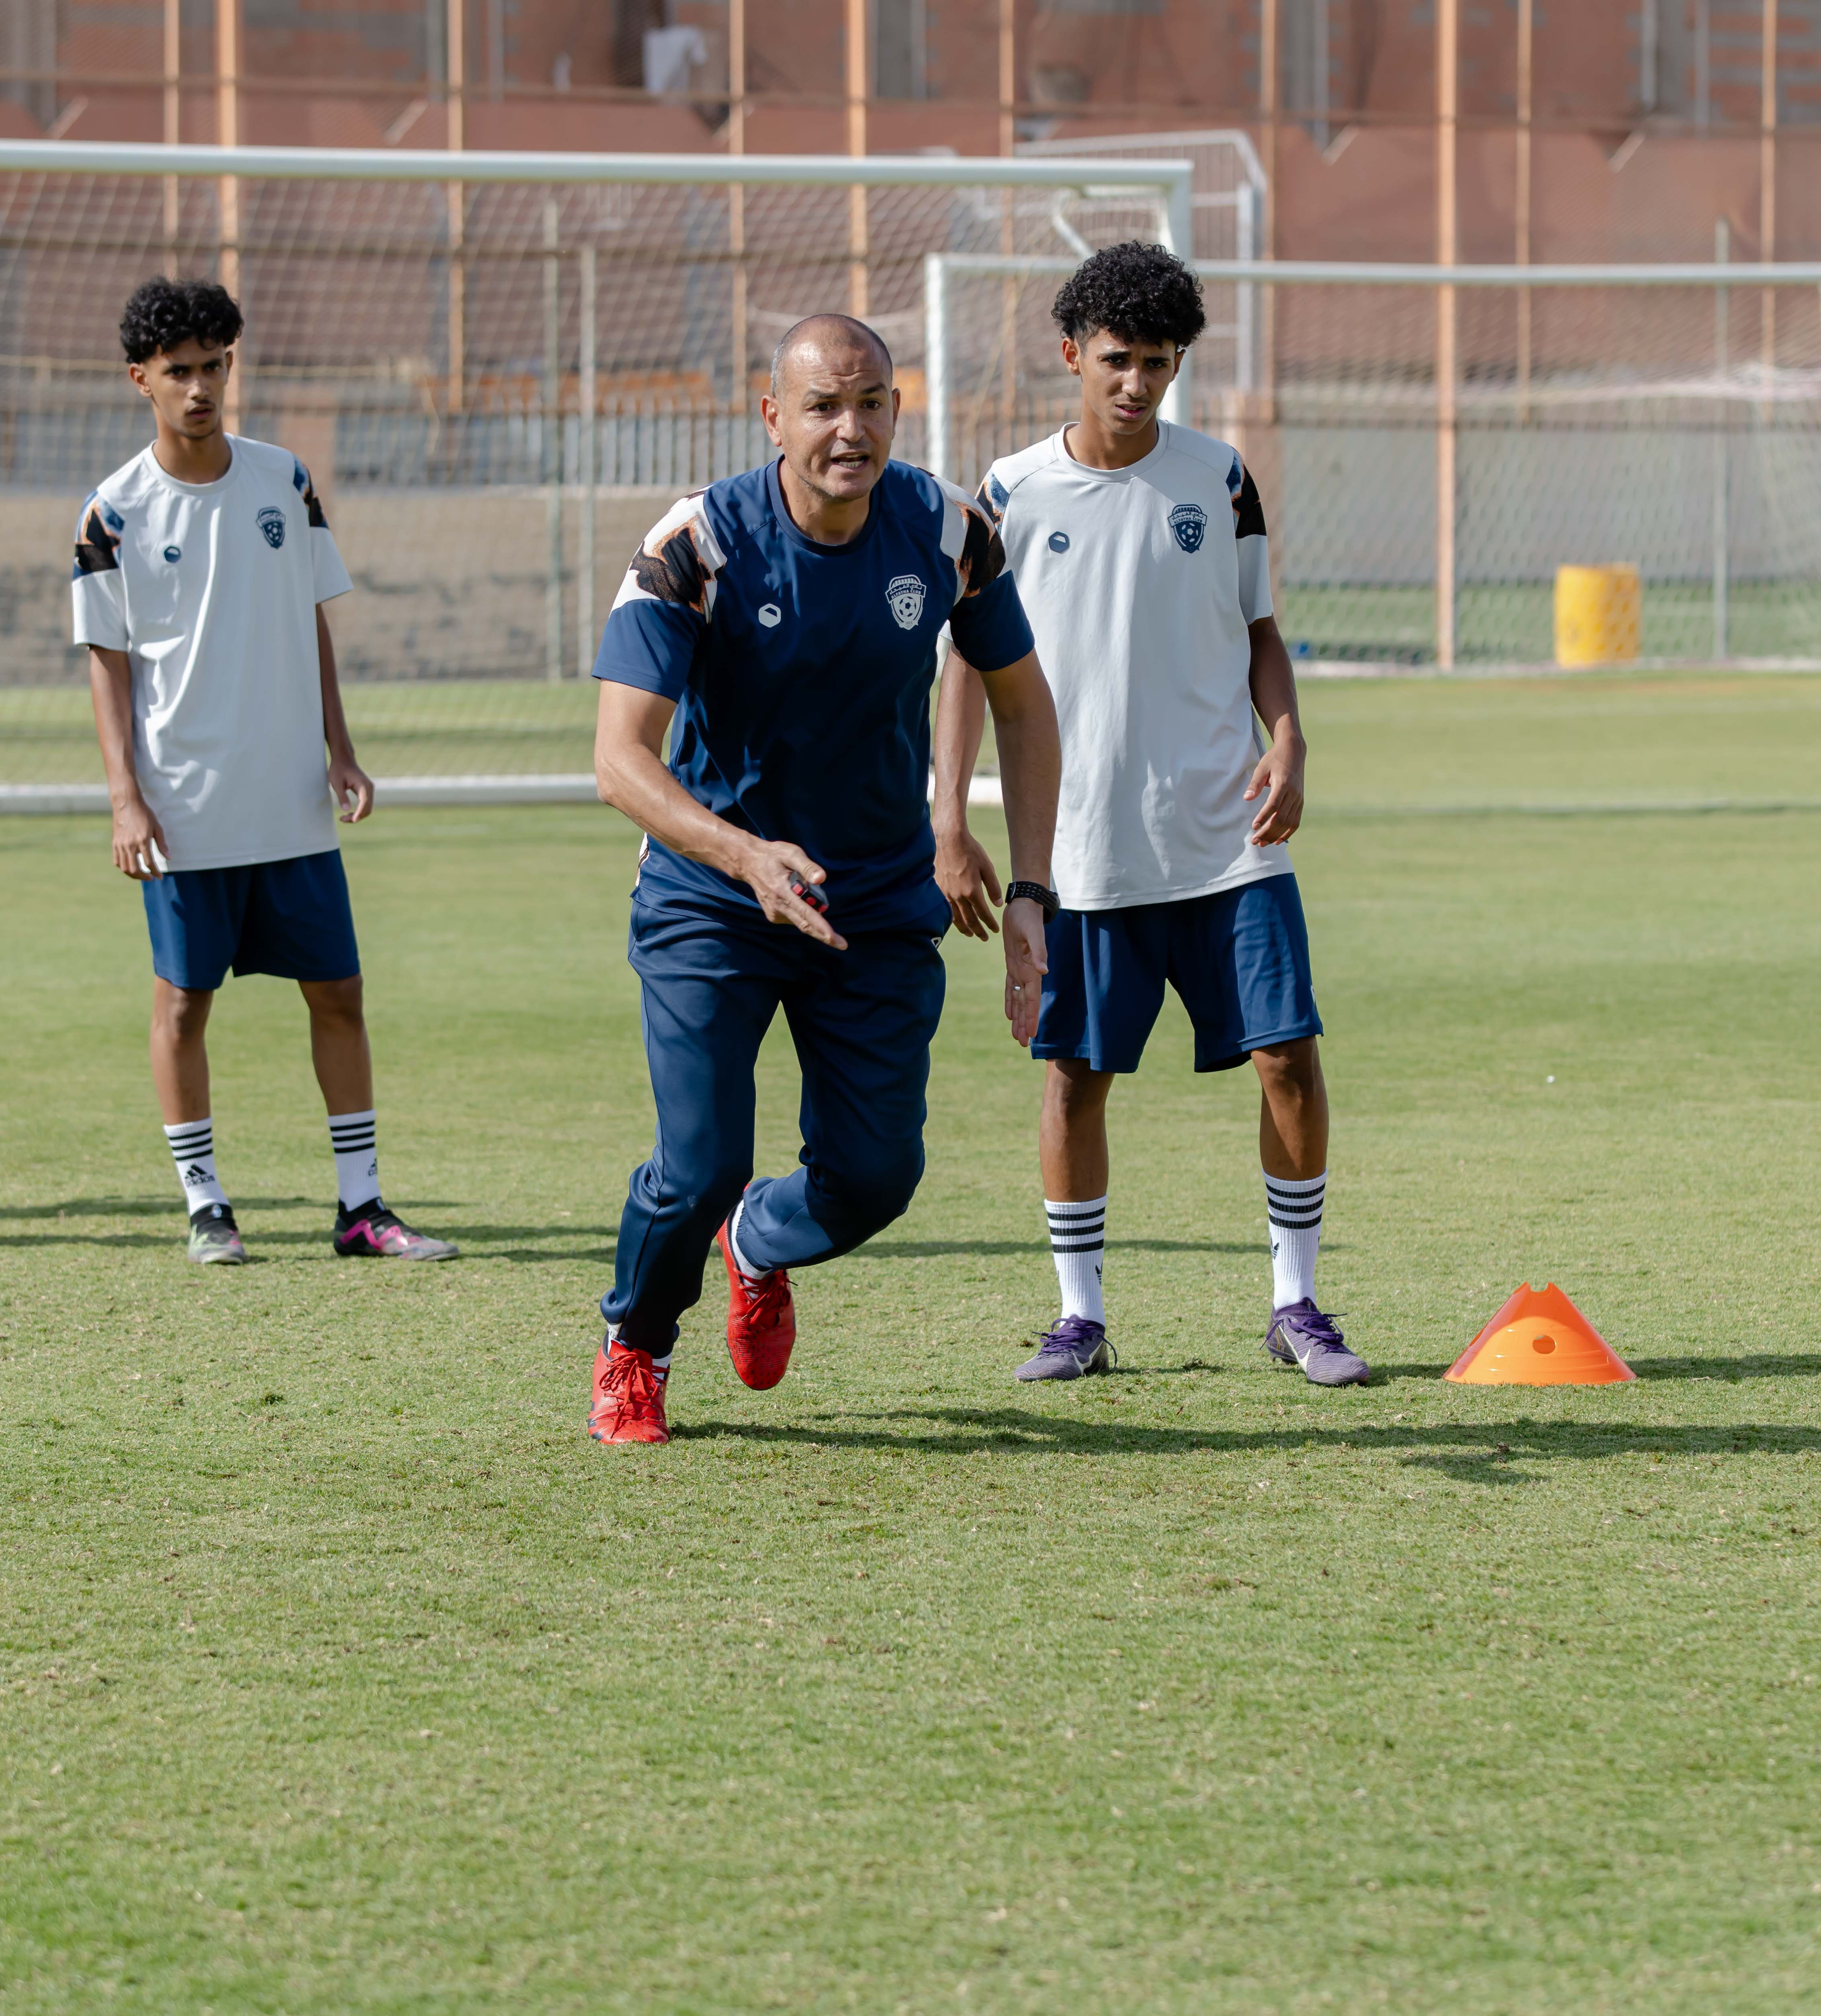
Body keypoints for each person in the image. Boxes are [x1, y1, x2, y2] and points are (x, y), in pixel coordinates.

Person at [585, 312, 1062, 1445]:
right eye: (822, 406)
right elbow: (617, 760)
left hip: (876, 899)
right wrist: (744, 854)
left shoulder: (948, 531)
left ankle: (758, 1242)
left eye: (871, 403)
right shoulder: (696, 544)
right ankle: (637, 1347)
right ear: (772, 416)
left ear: (898, 408)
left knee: (875, 1178)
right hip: (715, 898)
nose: (850, 429)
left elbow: (1024, 706)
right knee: (699, 1163)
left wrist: (1030, 889)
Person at [934, 241, 1366, 1387]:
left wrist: (1290, 737)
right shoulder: (1010, 492)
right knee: (1074, 1076)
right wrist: (950, 819)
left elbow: (1260, 632)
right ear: (1072, 354)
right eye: (1118, 361)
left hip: (1228, 834)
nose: (1137, 385)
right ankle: (1080, 1317)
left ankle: (1298, 1301)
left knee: (1288, 1056)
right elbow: (965, 670)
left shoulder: (1220, 477)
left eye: (1160, 365)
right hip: (1079, 851)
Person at [72, 276, 455, 1269]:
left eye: (214, 367)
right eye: (178, 372)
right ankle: (206, 1206)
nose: (200, 388)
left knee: (338, 992)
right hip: (183, 810)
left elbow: (309, 621)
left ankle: (361, 1207)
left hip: (289, 802)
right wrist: (124, 797)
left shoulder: (284, 479)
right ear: (140, 381)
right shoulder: (111, 511)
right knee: (183, 1006)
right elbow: (106, 665)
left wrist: (340, 747)